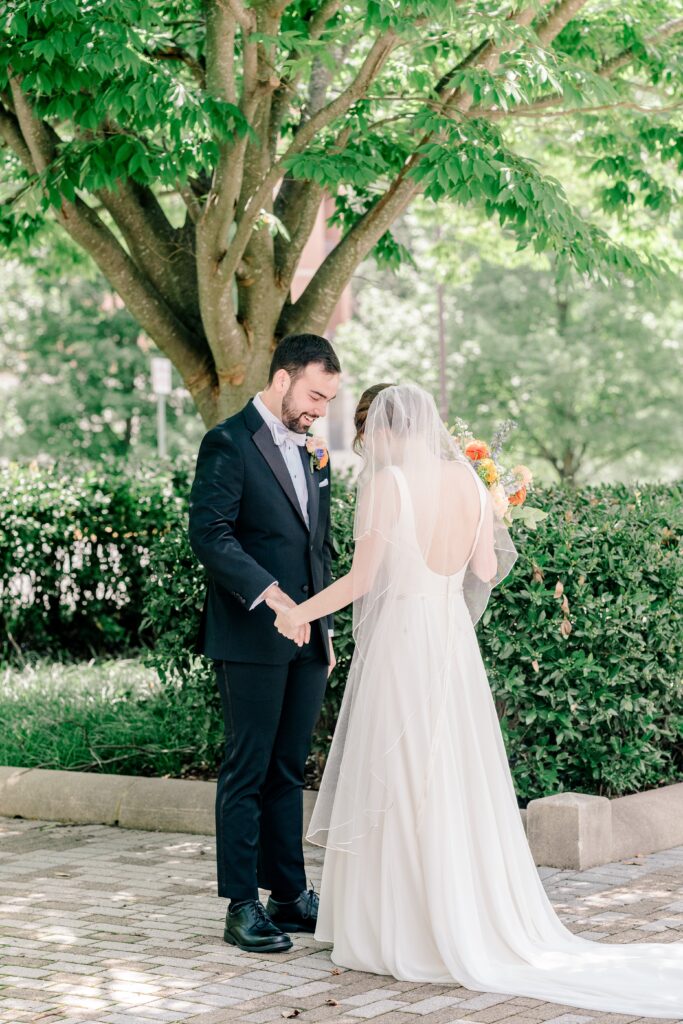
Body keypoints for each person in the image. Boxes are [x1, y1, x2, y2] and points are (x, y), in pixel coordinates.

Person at [272, 382, 683, 1017]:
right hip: (451, 642)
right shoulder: (470, 481)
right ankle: (461, 916)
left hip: (404, 643)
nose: (368, 448)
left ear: (383, 429)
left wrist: (298, 611)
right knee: (452, 777)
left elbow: (360, 579)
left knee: (401, 775)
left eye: (368, 435)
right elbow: (486, 571)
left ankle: (400, 930)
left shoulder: (387, 485)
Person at [188, 334, 340, 953]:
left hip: (307, 641)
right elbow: (211, 534)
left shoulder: (313, 452)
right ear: (281, 379)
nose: (319, 409)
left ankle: (289, 894)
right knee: (247, 769)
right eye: (313, 395)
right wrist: (270, 595)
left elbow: (318, 547)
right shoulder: (227, 442)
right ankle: (241, 905)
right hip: (251, 633)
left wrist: (324, 632)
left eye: (328, 399)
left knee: (287, 768)